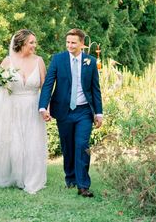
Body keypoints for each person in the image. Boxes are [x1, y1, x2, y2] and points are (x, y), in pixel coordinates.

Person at [0, 29, 47, 194]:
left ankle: (32, 178)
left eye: (35, 42)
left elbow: (45, 87)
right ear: (21, 44)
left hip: (33, 107)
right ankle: (17, 177)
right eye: (31, 42)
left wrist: (46, 107)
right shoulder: (8, 61)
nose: (35, 45)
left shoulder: (39, 61)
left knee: (33, 141)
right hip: (12, 107)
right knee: (15, 143)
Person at [39, 28, 103, 197]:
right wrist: (43, 107)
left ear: (82, 44)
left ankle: (83, 185)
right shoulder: (58, 60)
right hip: (64, 110)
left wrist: (99, 113)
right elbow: (48, 84)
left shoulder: (90, 61)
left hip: (84, 111)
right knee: (68, 146)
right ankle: (70, 178)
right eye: (68, 42)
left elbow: (95, 89)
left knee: (82, 145)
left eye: (73, 42)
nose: (70, 45)